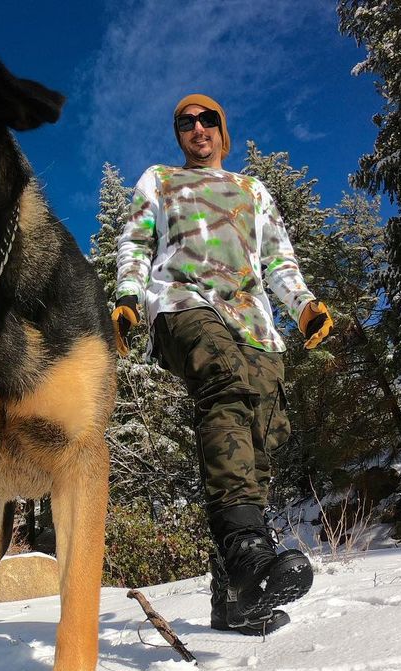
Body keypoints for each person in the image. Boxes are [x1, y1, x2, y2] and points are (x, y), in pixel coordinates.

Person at [112, 94, 333, 635]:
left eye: (207, 119)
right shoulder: (161, 180)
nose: (197, 128)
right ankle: (247, 551)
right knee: (223, 382)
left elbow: (278, 257)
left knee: (260, 437)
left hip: (253, 321)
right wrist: (128, 297)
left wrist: (303, 305)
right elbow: (135, 240)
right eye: (185, 122)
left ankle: (233, 596)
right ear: (179, 135)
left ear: (222, 130)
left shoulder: (252, 190)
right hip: (182, 303)